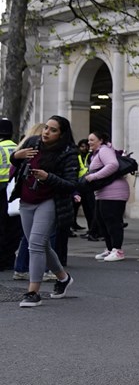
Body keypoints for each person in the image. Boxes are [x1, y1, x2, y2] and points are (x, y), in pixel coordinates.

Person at [9, 117, 77, 308]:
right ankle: (63, 278)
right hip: (26, 200)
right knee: (39, 244)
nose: (46, 132)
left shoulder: (67, 153)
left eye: (53, 130)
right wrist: (16, 156)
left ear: (61, 134)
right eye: (46, 128)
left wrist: (49, 177)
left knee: (36, 245)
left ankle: (33, 292)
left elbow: (71, 184)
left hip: (48, 201)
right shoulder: (33, 142)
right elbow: (16, 162)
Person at [81, 131, 129, 261]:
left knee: (113, 222)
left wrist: (94, 176)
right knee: (102, 222)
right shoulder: (97, 153)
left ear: (100, 140)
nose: (89, 142)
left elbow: (113, 165)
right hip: (102, 194)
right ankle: (110, 249)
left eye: (92, 140)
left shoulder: (104, 150)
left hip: (114, 193)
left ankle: (118, 250)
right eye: (88, 140)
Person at [0, 117, 22, 270]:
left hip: (0, 189)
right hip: (15, 190)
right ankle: (8, 258)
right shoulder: (18, 148)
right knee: (13, 227)